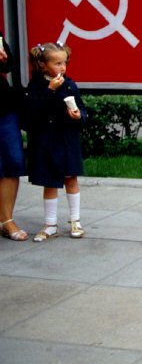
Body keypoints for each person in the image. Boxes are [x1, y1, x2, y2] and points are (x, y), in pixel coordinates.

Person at [24, 42, 87, 242]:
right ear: (43, 65)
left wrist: (78, 116)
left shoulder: (70, 84)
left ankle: (75, 220)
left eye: (64, 62)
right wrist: (50, 90)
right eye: (57, 63)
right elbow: (32, 113)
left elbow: (82, 109)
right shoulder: (36, 86)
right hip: (46, 141)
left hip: (66, 139)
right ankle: (50, 224)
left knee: (71, 179)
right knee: (49, 182)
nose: (62, 67)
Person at [0, 33, 28, 242]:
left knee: (13, 160)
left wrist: (3, 58)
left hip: (4, 107)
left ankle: (6, 220)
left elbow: (8, 65)